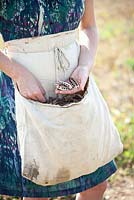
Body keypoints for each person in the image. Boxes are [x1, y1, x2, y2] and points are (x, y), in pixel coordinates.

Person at [0, 0, 118, 200]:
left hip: (76, 89)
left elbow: (89, 27)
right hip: (24, 89)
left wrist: (84, 67)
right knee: (38, 191)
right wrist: (18, 74)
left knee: (96, 184)